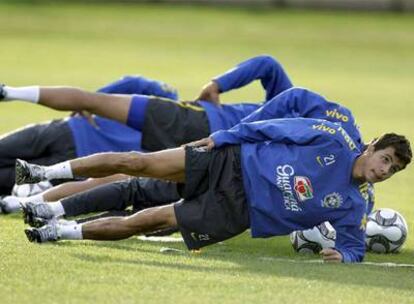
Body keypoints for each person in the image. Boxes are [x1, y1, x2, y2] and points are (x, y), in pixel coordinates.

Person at [1, 55, 368, 215]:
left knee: (94, 105)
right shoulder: (310, 142)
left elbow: (268, 66)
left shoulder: (299, 111)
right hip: (210, 153)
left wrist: (217, 84)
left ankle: (11, 92)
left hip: (198, 123)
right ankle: (27, 201)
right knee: (125, 176)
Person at [19, 118, 411, 263]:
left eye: (393, 169)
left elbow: (356, 246)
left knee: (152, 220)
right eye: (386, 158)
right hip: (232, 160)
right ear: (371, 146)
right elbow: (274, 127)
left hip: (238, 212)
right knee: (139, 164)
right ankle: (43, 172)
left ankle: (56, 231)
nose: (385, 169)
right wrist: (225, 136)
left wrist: (344, 255)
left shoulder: (354, 205)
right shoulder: (333, 138)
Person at [0, 75, 178, 196]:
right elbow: (136, 83)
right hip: (70, 135)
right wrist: (89, 102)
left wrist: (89, 101)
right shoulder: (171, 103)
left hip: (76, 163)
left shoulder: (178, 156)